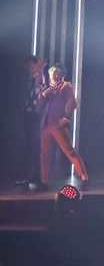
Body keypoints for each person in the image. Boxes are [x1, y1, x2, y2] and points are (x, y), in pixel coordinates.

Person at [35, 64, 89, 190]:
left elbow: (73, 102)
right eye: (51, 72)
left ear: (61, 74)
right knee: (45, 153)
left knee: (69, 150)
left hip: (57, 124)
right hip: (46, 125)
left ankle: (84, 177)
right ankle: (44, 180)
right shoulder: (46, 88)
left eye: (56, 72)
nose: (53, 74)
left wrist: (66, 117)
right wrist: (44, 94)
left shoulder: (65, 86)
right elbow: (38, 106)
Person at [15, 56, 45, 187]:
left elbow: (41, 87)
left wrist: (40, 70)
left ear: (36, 65)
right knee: (29, 146)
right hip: (28, 115)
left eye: (31, 65)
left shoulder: (39, 78)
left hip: (34, 115)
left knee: (32, 146)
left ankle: (32, 177)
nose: (29, 68)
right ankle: (32, 176)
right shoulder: (29, 78)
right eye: (28, 65)